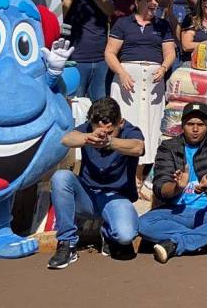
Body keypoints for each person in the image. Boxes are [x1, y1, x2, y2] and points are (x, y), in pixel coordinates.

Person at [47, 97, 145, 269]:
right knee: (61, 177)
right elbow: (66, 139)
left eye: (110, 131)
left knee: (125, 235)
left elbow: (138, 147)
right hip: (88, 196)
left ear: (120, 123)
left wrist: (110, 142)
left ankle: (108, 232)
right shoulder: (87, 130)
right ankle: (67, 243)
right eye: (98, 130)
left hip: (116, 198)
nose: (103, 135)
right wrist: (88, 137)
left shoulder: (130, 130)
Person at [137, 103, 207, 263]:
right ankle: (206, 239)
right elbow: (160, 186)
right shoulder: (168, 147)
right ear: (182, 125)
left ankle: (176, 243)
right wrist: (177, 187)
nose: (195, 129)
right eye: (190, 124)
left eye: (200, 125)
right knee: (143, 224)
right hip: (176, 212)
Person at [105, 0, 175, 193]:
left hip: (153, 81)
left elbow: (170, 52)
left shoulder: (162, 25)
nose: (154, 3)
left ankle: (139, 175)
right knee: (125, 123)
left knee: (150, 125)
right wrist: (121, 73)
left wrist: (163, 68)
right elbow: (110, 52)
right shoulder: (123, 23)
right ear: (137, 2)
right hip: (128, 80)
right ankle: (121, 174)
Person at [60, 0, 114, 100]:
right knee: (74, 103)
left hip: (100, 61)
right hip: (75, 60)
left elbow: (109, 10)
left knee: (100, 106)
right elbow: (58, 15)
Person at [152, 0, 188, 69]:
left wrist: (170, 13)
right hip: (154, 56)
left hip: (174, 58)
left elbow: (180, 38)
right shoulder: (150, 9)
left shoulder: (181, 10)